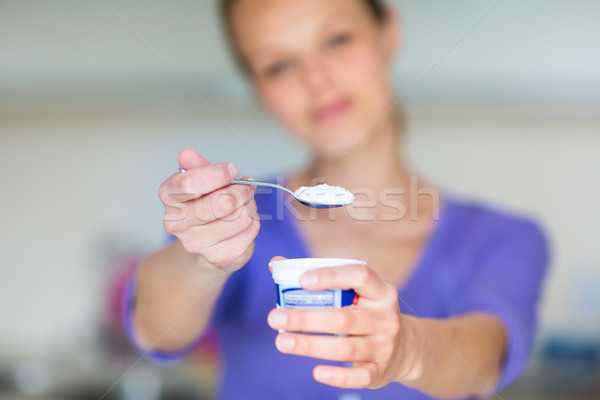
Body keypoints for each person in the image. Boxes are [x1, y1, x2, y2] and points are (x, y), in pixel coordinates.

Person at [124, 0, 549, 398]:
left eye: (336, 40)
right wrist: (199, 261)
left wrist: (410, 350)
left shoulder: (502, 238)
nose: (317, 79)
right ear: (258, 91)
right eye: (279, 65)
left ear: (388, 32)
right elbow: (154, 328)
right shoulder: (241, 220)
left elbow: (485, 358)